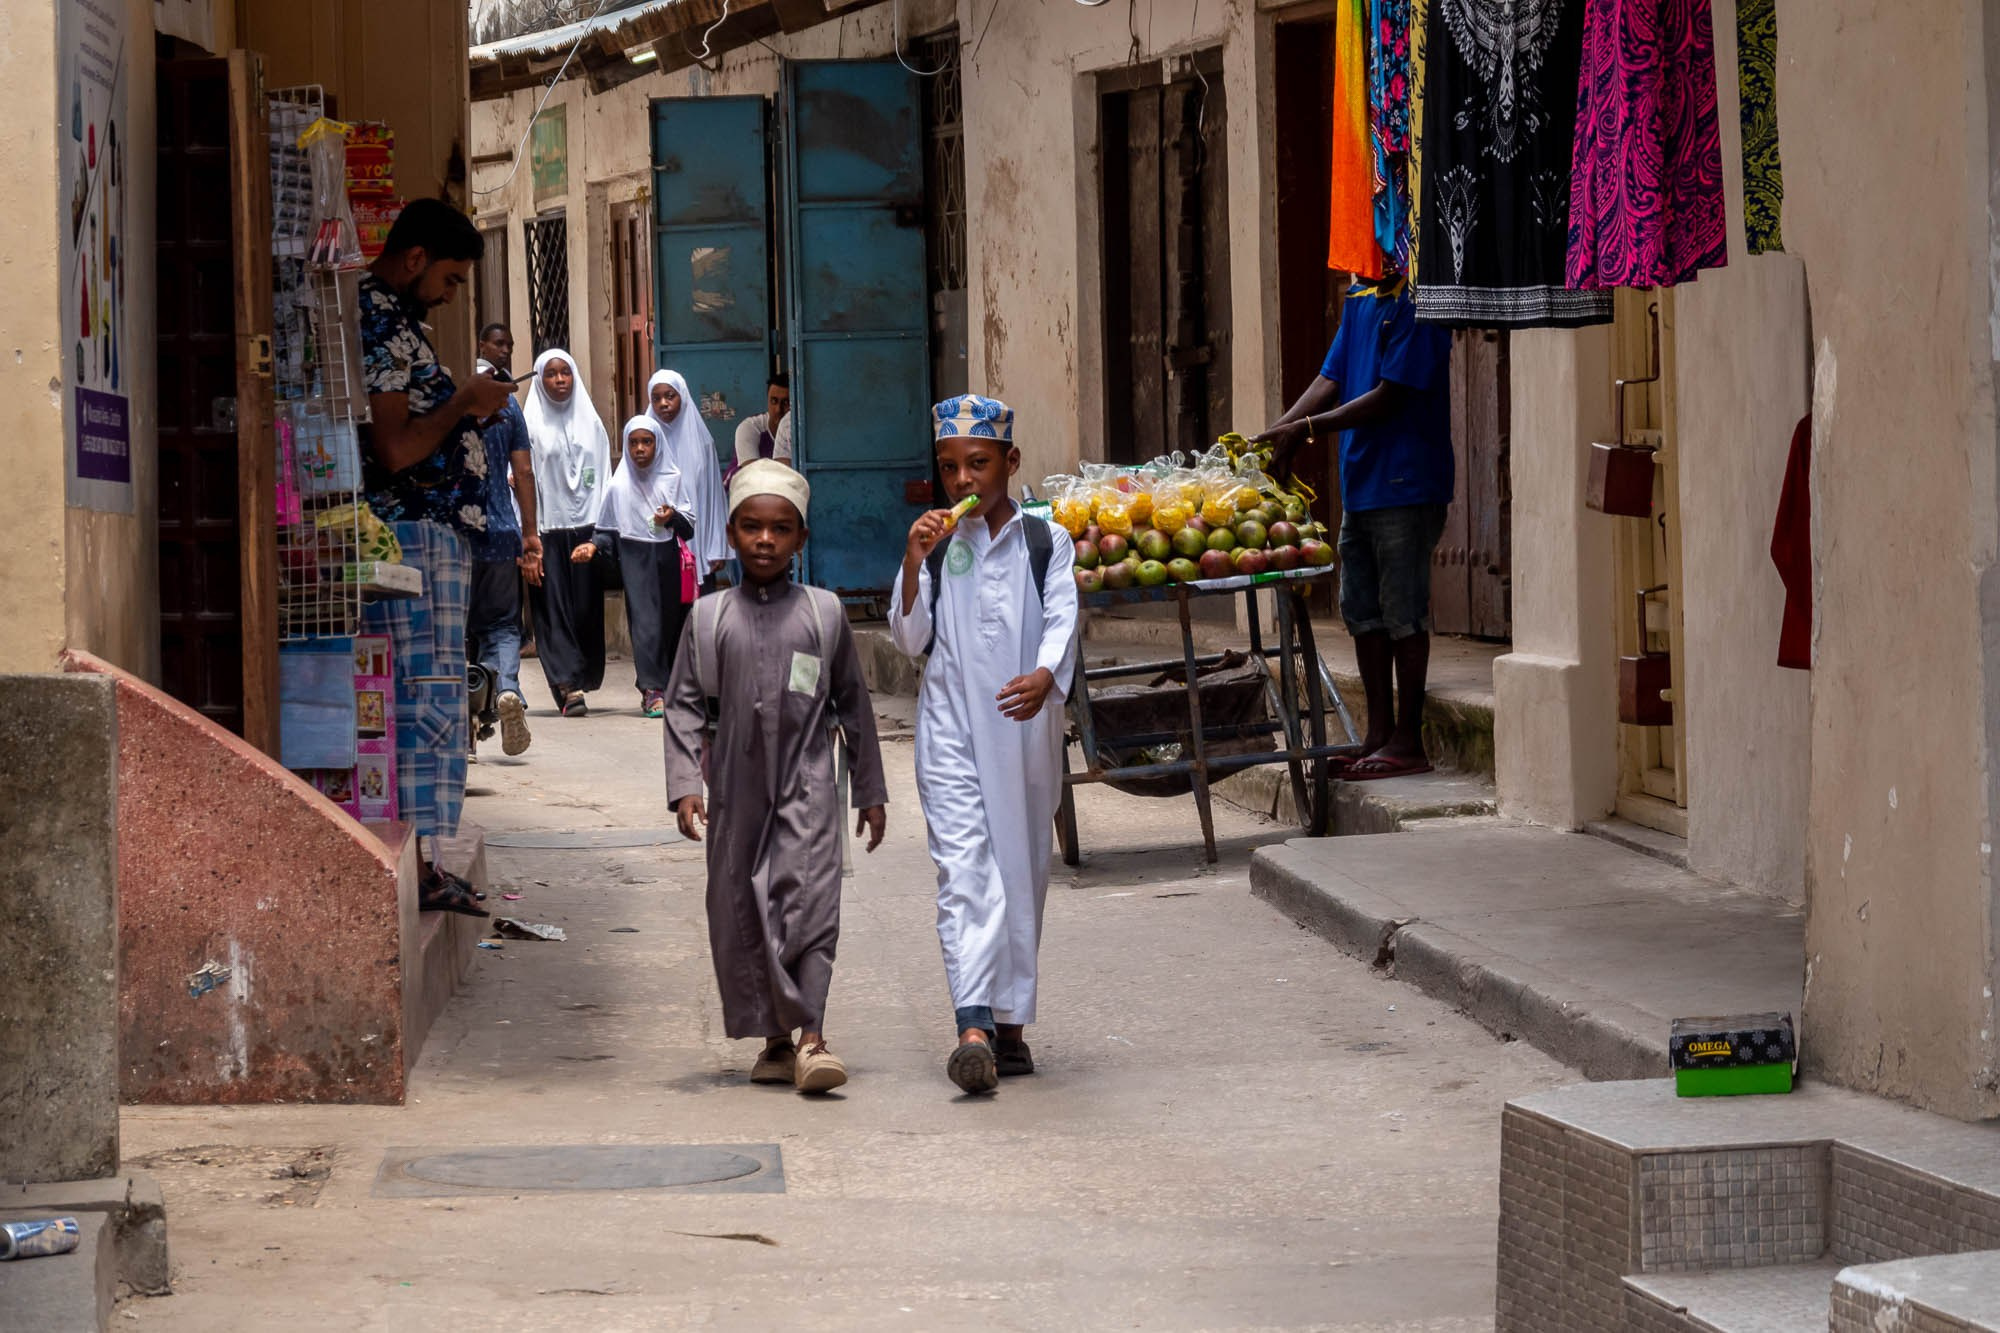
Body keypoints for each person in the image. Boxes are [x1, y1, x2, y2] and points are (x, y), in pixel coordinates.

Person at [664, 460, 888, 1095]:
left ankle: (813, 1037)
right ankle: (774, 1041)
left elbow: (854, 704)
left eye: (781, 529)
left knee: (811, 906)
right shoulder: (707, 619)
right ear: (731, 534)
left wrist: (869, 790)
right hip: (734, 789)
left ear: (801, 539)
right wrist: (686, 783)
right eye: (752, 527)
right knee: (746, 909)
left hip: (810, 781)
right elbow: (681, 703)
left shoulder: (825, 614)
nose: (766, 540)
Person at [888, 395, 1079, 1095]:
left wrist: (1046, 673)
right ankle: (972, 1024)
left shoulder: (1043, 540)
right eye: (950, 467)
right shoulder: (939, 546)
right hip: (950, 730)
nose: (964, 480)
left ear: (1010, 462)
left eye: (978, 463)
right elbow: (910, 639)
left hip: (1024, 734)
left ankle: (1010, 1027)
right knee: (964, 870)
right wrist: (914, 561)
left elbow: (1063, 617)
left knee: (1022, 871)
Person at [354, 198, 518, 917]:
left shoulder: (402, 323)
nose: (451, 294)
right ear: (416, 259)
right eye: (449, 279)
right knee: (424, 702)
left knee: (438, 698)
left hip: (433, 539)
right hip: (411, 536)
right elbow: (394, 449)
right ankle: (411, 867)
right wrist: (464, 405)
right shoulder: (381, 320)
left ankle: (423, 862)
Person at [1252, 277, 1453, 780]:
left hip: (1407, 481)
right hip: (1361, 481)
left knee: (1402, 612)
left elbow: (1392, 395)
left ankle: (1409, 740)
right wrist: (1279, 430)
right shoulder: (1361, 296)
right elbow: (1331, 376)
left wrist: (1307, 429)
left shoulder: (1419, 301)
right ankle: (1378, 736)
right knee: (1363, 611)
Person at [570, 417, 697, 718]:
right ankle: (652, 689)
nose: (640, 449)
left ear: (657, 445)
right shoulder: (618, 486)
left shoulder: (673, 479)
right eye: (634, 443)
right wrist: (592, 546)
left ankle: (665, 686)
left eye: (647, 442)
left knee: (668, 622)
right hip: (634, 557)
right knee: (645, 623)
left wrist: (672, 517)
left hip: (666, 558)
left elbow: (689, 526)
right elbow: (607, 531)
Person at [523, 348, 612, 718]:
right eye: (551, 374)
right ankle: (567, 684)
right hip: (546, 529)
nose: (560, 380)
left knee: (586, 609)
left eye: (566, 373)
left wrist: (602, 533)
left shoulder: (591, 424)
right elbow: (523, 480)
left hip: (588, 527)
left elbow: (605, 476)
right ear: (539, 380)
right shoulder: (530, 425)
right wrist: (528, 537)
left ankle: (579, 677)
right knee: (552, 609)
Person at [467, 322, 539, 757]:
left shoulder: (456, 400)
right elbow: (524, 473)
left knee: (458, 630)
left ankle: (465, 726)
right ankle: (507, 690)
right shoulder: (509, 405)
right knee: (502, 625)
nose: (506, 351)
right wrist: (530, 533)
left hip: (460, 532)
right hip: (501, 531)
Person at [647, 369, 730, 587]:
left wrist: (717, 546)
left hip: (697, 545)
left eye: (670, 396)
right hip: (656, 544)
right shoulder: (644, 443)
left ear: (682, 396)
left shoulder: (702, 444)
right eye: (656, 398)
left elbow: (714, 498)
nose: (663, 403)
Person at [731, 374, 792, 473]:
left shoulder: (795, 432)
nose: (778, 409)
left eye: (786, 403)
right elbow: (753, 477)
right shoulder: (750, 428)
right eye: (773, 401)